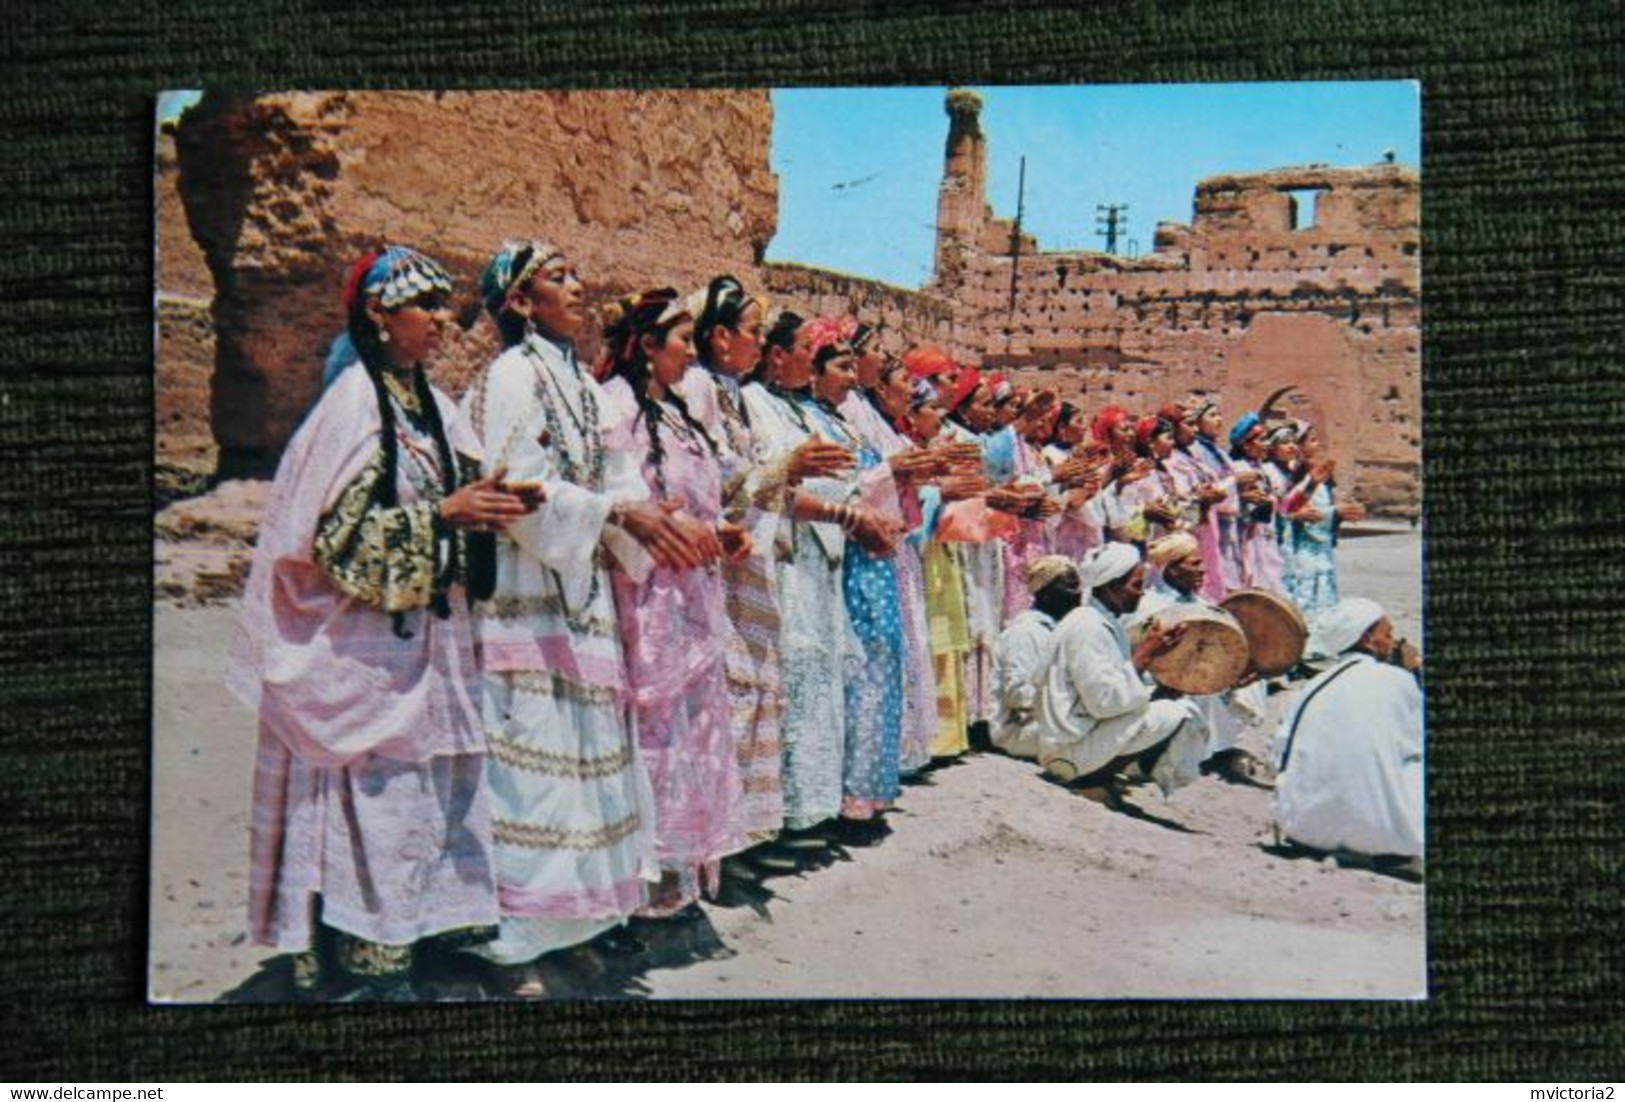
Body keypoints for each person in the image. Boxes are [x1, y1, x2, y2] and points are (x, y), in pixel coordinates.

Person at [230, 245, 532, 1000]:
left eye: (443, 306)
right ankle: (367, 959)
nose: (441, 322)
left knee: (431, 797)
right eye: (425, 306)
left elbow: (460, 487)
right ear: (377, 313)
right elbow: (331, 543)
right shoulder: (354, 405)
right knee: (379, 802)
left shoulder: (428, 403)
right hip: (366, 655)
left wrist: (493, 501)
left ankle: (425, 935)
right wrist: (443, 516)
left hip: (430, 647)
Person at [461, 240, 718, 973]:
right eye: (558, 277)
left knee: (584, 762)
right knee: (533, 768)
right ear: (519, 302)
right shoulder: (511, 376)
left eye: (575, 274)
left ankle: (571, 924)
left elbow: (615, 477)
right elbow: (518, 489)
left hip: (580, 594)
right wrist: (617, 514)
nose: (577, 287)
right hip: (527, 592)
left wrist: (657, 519)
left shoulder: (575, 381)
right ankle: (519, 936)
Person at [600, 288, 748, 914]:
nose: (692, 352)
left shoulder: (680, 414)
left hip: (693, 597)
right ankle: (641, 881)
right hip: (645, 599)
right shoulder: (613, 410)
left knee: (696, 734)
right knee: (653, 734)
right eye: (682, 340)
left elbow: (702, 502)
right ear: (648, 344)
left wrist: (721, 536)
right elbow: (618, 508)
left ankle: (677, 877)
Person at [678, 275, 789, 853]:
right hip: (721, 561)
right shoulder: (699, 388)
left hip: (748, 559)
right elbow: (716, 475)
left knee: (749, 694)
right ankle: (713, 839)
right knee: (728, 695)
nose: (760, 343)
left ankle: (737, 835)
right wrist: (782, 471)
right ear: (719, 336)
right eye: (752, 332)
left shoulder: (735, 393)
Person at [799, 318, 908, 829]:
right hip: (843, 553)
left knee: (879, 662)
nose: (850, 376)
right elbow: (835, 487)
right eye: (840, 365)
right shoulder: (810, 421)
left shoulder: (842, 420)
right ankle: (847, 796)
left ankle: (868, 787)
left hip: (871, 555)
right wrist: (897, 475)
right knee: (856, 671)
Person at [1035, 542, 1211, 805]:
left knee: (1172, 703)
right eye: (1136, 586)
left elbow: (1110, 689)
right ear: (1110, 587)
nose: (1141, 594)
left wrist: (1155, 692)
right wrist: (1144, 655)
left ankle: (1101, 774)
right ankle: (1086, 781)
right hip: (1066, 750)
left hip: (1078, 737)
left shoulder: (1104, 622)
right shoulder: (1087, 627)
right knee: (1181, 713)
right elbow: (1104, 702)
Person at [1272, 598, 1423, 864]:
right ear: (1367, 640)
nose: (1394, 642)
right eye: (1387, 634)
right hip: (1384, 837)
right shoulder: (1398, 680)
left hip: (1304, 829)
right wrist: (1416, 674)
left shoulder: (1312, 685)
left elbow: (1279, 753)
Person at [1132, 533, 1269, 785]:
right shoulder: (1150, 605)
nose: (1203, 569)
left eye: (1201, 563)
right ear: (1171, 570)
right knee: (1202, 684)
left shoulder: (1199, 601)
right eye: (1194, 564)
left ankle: (1218, 747)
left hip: (1198, 665)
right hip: (1162, 677)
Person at [991, 555, 1080, 760]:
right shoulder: (1025, 632)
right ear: (1045, 593)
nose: (1077, 594)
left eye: (1078, 587)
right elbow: (1017, 696)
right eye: (1069, 588)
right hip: (1017, 730)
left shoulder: (1058, 628)